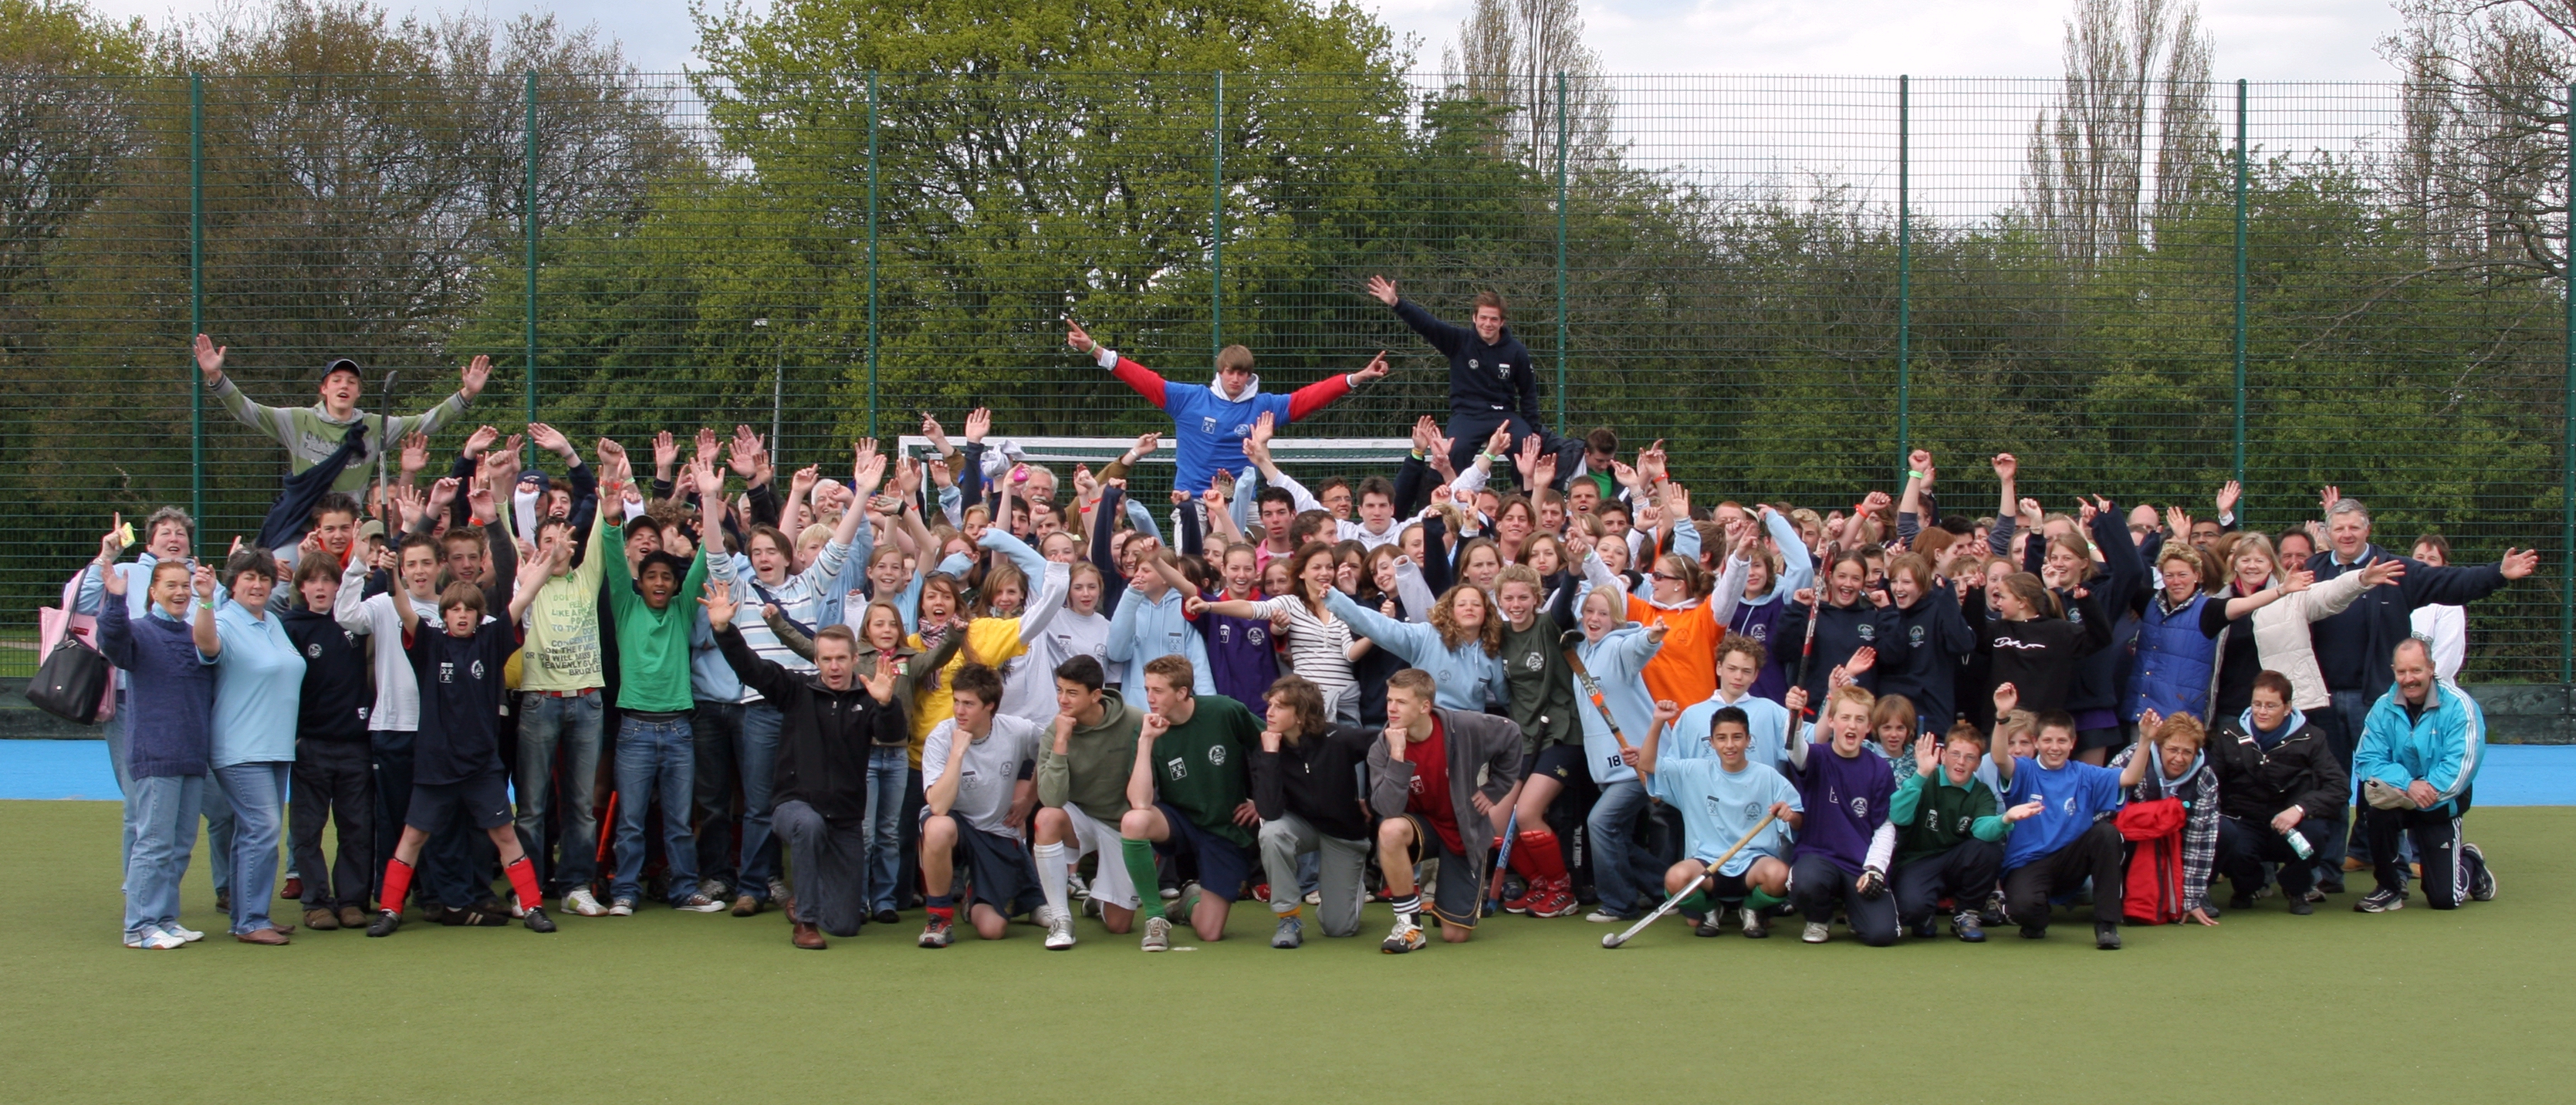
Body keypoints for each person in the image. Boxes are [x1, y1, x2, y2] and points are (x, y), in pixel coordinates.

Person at [2304, 495, 2534, 866]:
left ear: (2368, 529)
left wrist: (2498, 574)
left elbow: (2449, 581)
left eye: (2354, 527)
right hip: (2321, 698)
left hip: (2376, 699)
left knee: (2382, 784)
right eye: (2339, 528)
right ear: (2327, 533)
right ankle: (2327, 871)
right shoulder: (2311, 571)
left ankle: (2379, 862)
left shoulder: (2396, 570)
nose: (2347, 534)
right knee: (2328, 783)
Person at [708, 579, 908, 948]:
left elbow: (893, 733)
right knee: (809, 824)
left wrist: (885, 703)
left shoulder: (868, 699)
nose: (834, 666)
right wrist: (724, 630)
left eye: (841, 659)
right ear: (816, 661)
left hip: (845, 819)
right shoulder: (796, 690)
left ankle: (806, 900)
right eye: (826, 659)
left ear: (854, 659)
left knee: (846, 926)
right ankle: (805, 922)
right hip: (794, 807)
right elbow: (752, 668)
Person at [364, 580, 555, 937]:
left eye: (469, 609)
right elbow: (403, 608)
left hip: (481, 767)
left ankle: (532, 907)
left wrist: (547, 563)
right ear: (445, 615)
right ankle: (389, 910)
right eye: (454, 610)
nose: (462, 615)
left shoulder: (490, 641)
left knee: (505, 834)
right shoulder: (429, 643)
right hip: (435, 766)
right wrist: (391, 575)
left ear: (479, 615)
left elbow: (522, 599)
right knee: (413, 836)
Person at [1063, 319, 1386, 494]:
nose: (1236, 378)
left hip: (1241, 503)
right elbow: (1142, 378)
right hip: (1191, 498)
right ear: (1220, 372)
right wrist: (1094, 349)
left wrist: (1355, 378)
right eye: (1230, 372)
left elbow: (1310, 397)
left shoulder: (1264, 406)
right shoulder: (1188, 399)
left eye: (1242, 373)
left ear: (1249, 376)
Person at [602, 452, 721, 916]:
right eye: (650, 576)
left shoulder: (683, 608)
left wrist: (708, 502)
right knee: (631, 821)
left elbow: (706, 559)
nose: (657, 583)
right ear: (640, 580)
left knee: (679, 820)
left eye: (666, 577)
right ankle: (625, 892)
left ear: (675, 584)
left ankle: (684, 890)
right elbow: (615, 564)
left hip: (677, 730)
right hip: (634, 729)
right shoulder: (625, 605)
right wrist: (612, 519)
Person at [93, 555, 215, 950]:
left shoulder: (196, 634)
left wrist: (208, 598)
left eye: (185, 586)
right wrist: (115, 599)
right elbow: (112, 642)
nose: (180, 593)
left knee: (179, 846)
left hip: (192, 753)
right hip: (155, 754)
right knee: (154, 843)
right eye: (171, 586)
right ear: (153, 592)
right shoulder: (140, 632)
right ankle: (139, 927)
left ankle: (164, 918)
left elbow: (213, 653)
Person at [195, 334, 490, 492]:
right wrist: (216, 377)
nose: (344, 386)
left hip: (350, 528)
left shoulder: (373, 426)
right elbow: (248, 411)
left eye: (351, 382)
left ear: (359, 392)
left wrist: (467, 394)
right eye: (336, 380)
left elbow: (427, 422)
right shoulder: (296, 420)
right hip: (303, 524)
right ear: (324, 389)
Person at [1367, 669, 1525, 952]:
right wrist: (1397, 757)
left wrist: (1496, 788)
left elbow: (1511, 732)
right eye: (1390, 700)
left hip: (1463, 832)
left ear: (1425, 706)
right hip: (1421, 827)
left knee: (1454, 935)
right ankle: (1409, 925)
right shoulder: (1383, 746)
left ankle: (1447, 906)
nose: (1391, 708)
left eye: (1401, 702)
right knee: (1390, 830)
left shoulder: (1464, 726)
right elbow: (1388, 809)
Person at [1114, 654, 1263, 951]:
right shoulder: (1147, 729)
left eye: (1158, 691)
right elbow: (1140, 801)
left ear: (1182, 692)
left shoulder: (1225, 710)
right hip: (1178, 820)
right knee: (1134, 821)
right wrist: (1146, 741)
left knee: (1210, 932)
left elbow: (1271, 745)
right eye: (1147, 689)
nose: (1150, 698)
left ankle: (1189, 902)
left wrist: (1263, 800)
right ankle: (1156, 917)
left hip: (1225, 826)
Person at [509, 501, 616, 917]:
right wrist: (499, 499)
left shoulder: (587, 577)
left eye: (563, 540)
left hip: (587, 702)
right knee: (532, 807)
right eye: (547, 541)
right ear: (536, 549)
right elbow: (504, 537)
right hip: (539, 702)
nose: (556, 547)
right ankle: (528, 890)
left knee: (581, 806)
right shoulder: (527, 584)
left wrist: (608, 489)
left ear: (574, 548)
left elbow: (603, 534)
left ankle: (576, 887)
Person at [1364, 275, 1575, 482]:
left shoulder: (1516, 351)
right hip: (1467, 416)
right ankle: (1442, 500)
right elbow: (1427, 325)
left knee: (1529, 448)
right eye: (1483, 318)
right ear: (1475, 318)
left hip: (1504, 417)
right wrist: (1396, 302)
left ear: (1502, 322)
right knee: (1454, 451)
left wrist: (1533, 429)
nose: (1488, 324)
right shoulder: (1459, 341)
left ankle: (1526, 499)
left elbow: (1528, 392)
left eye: (1494, 319)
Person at [201, 547, 305, 945]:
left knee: (256, 831)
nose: (258, 584)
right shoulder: (223, 621)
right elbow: (206, 645)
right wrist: (205, 600)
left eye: (263, 578)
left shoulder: (272, 622)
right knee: (262, 828)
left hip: (276, 747)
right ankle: (250, 921)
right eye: (249, 577)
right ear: (233, 583)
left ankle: (247, 915)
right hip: (241, 746)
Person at [1989, 694, 2148, 949]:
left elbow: (2130, 777)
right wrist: (2002, 717)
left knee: (2107, 834)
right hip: (2028, 863)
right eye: (2048, 740)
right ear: (2036, 742)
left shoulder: (2084, 774)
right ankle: (2036, 921)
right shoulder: (2025, 770)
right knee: (2023, 908)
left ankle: (2107, 925)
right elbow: (1999, 758)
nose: (2055, 747)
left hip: (2070, 860)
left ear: (2073, 743)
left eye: (2062, 741)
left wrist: (2146, 740)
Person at [2351, 638, 2496, 913]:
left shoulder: (2460, 706)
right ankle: (2389, 887)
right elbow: (2367, 760)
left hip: (2440, 802)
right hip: (2400, 796)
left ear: (2431, 668)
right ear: (2393, 671)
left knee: (2444, 899)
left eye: (2416, 670)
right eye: (2402, 672)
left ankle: (2470, 861)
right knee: (2376, 812)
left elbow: (2463, 764)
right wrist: (2408, 785)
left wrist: (2426, 789)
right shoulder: (2382, 707)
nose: (2409, 679)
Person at [1634, 704, 1800, 939]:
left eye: (1737, 737)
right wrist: (1658, 721)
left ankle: (1751, 910)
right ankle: (1710, 911)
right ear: (1711, 742)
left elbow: (1798, 820)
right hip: (1707, 867)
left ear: (1748, 740)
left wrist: (1790, 815)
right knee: (1675, 878)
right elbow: (1647, 764)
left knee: (1780, 875)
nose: (1729, 745)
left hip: (1753, 866)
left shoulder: (1768, 775)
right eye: (1722, 738)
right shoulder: (1692, 772)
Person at [916, 664, 1046, 946]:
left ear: (990, 706)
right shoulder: (941, 737)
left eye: (968, 704)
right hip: (955, 824)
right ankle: (939, 918)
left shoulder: (1017, 730)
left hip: (994, 831)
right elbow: (938, 806)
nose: (959, 711)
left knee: (992, 930)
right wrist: (958, 752)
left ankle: (972, 890)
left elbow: (1049, 754)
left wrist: (1029, 799)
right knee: (937, 827)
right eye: (956, 701)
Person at [281, 553, 374, 932]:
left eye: (328, 580)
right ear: (302, 587)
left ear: (339, 585)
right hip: (312, 744)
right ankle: (316, 902)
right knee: (307, 830)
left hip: (355, 743)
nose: (320, 588)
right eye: (313, 581)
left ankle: (351, 901)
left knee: (357, 828)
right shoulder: (290, 627)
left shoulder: (355, 621)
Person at [1248, 674, 1377, 947]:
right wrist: (1270, 755)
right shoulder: (1266, 747)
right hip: (1300, 827)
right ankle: (1288, 918)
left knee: (1338, 928)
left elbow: (1386, 748)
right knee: (1271, 834)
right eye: (1270, 705)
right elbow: (1269, 811)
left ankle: (1350, 885)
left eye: (1280, 707)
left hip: (1343, 833)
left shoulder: (1338, 738)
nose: (1269, 712)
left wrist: (1372, 799)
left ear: (1301, 715)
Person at [1566, 589, 1670, 922]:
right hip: (1607, 767)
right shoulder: (1582, 650)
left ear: (1616, 619)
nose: (1595, 619)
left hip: (1639, 762)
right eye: (1589, 611)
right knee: (1615, 837)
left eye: (1604, 613)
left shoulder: (1616, 647)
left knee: (1601, 823)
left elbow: (1637, 647)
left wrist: (1652, 637)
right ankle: (1670, 890)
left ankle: (1619, 904)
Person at [1031, 656, 1145, 949]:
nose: (1062, 699)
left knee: (1119, 926)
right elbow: (1052, 799)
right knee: (1047, 818)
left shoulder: (1135, 720)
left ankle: (1098, 897)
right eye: (1059, 690)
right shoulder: (1054, 730)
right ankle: (1061, 919)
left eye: (1072, 693)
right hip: (1077, 819)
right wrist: (1061, 741)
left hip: (1120, 825)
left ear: (1095, 695)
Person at [2209, 671, 2344, 915]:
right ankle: (2247, 887)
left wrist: (2300, 809)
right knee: (2225, 835)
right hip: (2244, 821)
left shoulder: (2313, 738)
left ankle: (2296, 889)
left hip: (2291, 823)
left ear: (2288, 708)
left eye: (2271, 706)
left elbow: (2339, 786)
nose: (2262, 712)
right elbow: (2210, 784)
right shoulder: (2229, 736)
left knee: (2314, 833)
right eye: (2257, 704)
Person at [1778, 684, 1899, 946]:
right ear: (1831, 721)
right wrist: (1795, 715)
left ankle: (1855, 914)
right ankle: (1819, 919)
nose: (1851, 726)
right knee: (1807, 882)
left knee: (1881, 935)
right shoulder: (1816, 757)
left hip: (1859, 865)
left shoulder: (1880, 769)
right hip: (1818, 858)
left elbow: (1885, 826)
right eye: (1845, 718)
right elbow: (1794, 749)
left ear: (1869, 727)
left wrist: (1875, 870)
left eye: (1859, 719)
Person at [1888, 723, 2008, 941]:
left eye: (1970, 757)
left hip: (1957, 862)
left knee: (1989, 848)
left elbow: (1983, 830)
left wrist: (2005, 820)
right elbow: (1898, 816)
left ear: (1978, 763)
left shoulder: (1981, 793)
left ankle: (1967, 913)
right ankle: (1924, 916)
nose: (1961, 762)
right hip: (1918, 861)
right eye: (1955, 754)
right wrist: (1921, 773)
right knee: (1911, 911)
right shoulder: (1925, 780)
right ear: (1943, 756)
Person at [2109, 711, 2220, 926]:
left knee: (2223, 834)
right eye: (2173, 750)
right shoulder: (2131, 757)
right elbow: (2103, 809)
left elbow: (2200, 841)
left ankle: (2192, 897)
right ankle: (2118, 897)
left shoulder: (2205, 777)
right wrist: (2158, 816)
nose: (2179, 759)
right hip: (2131, 839)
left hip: (2179, 839)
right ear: (2160, 746)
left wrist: (2191, 899)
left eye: (2187, 752)